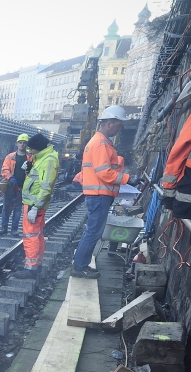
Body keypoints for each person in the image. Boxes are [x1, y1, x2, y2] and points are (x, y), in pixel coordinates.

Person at [73, 105, 131, 279]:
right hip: (99, 195)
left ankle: (80, 264)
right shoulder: (101, 144)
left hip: (99, 195)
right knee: (93, 232)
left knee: (92, 231)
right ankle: (80, 266)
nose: (119, 129)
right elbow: (104, 172)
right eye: (119, 125)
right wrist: (128, 179)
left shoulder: (100, 142)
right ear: (110, 123)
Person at [20, 133, 59, 277]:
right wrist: (28, 169)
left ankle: (31, 268)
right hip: (34, 203)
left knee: (30, 235)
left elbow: (46, 186)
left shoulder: (48, 160)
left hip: (33, 204)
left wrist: (35, 207)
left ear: (38, 147)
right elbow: (37, 180)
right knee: (37, 234)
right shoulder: (43, 158)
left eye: (31, 149)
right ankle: (37, 263)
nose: (29, 151)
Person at [0, 134, 32, 235]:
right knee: (6, 207)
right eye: (20, 142)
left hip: (22, 187)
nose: (22, 145)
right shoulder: (10, 157)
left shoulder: (30, 158)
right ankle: (3, 228)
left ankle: (14, 229)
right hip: (10, 186)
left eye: (24, 143)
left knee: (17, 209)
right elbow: (5, 169)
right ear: (17, 143)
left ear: (27, 145)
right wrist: (10, 177)